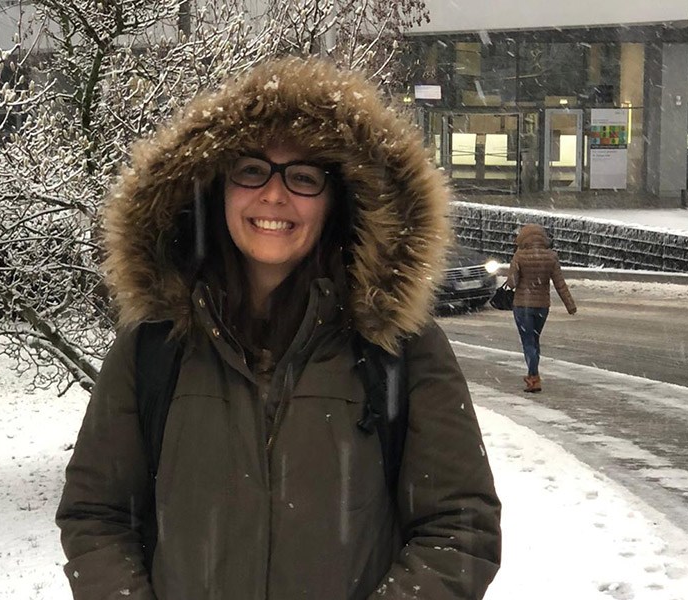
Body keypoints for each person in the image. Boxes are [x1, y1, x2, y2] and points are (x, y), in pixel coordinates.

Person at [55, 57, 501, 600]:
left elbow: (460, 525)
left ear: (338, 199)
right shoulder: (156, 343)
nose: (273, 195)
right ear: (217, 187)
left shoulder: (395, 345)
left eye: (303, 177)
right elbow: (96, 515)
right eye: (251, 170)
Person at [505, 223, 577, 393]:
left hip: (522, 305)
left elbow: (512, 283)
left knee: (528, 342)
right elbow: (560, 284)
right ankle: (533, 376)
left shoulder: (519, 256)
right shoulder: (551, 257)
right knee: (535, 341)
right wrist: (570, 305)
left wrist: (514, 269)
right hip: (542, 306)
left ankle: (533, 377)